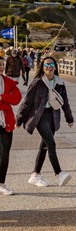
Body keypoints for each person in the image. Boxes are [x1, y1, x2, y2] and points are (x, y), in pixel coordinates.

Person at [16, 57, 74, 187]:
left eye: (52, 64)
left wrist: (69, 118)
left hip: (53, 116)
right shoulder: (37, 82)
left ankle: (35, 175)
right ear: (42, 67)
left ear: (55, 67)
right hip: (40, 116)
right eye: (46, 64)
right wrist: (19, 119)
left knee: (44, 147)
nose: (49, 66)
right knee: (51, 143)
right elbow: (27, 102)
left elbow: (65, 102)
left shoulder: (60, 83)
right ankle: (59, 173)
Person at [0, 58, 22, 195]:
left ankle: (1, 183)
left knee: (4, 154)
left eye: (2, 65)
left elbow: (17, 99)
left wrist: (2, 98)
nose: (1, 67)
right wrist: (6, 101)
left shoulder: (8, 82)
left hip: (6, 122)